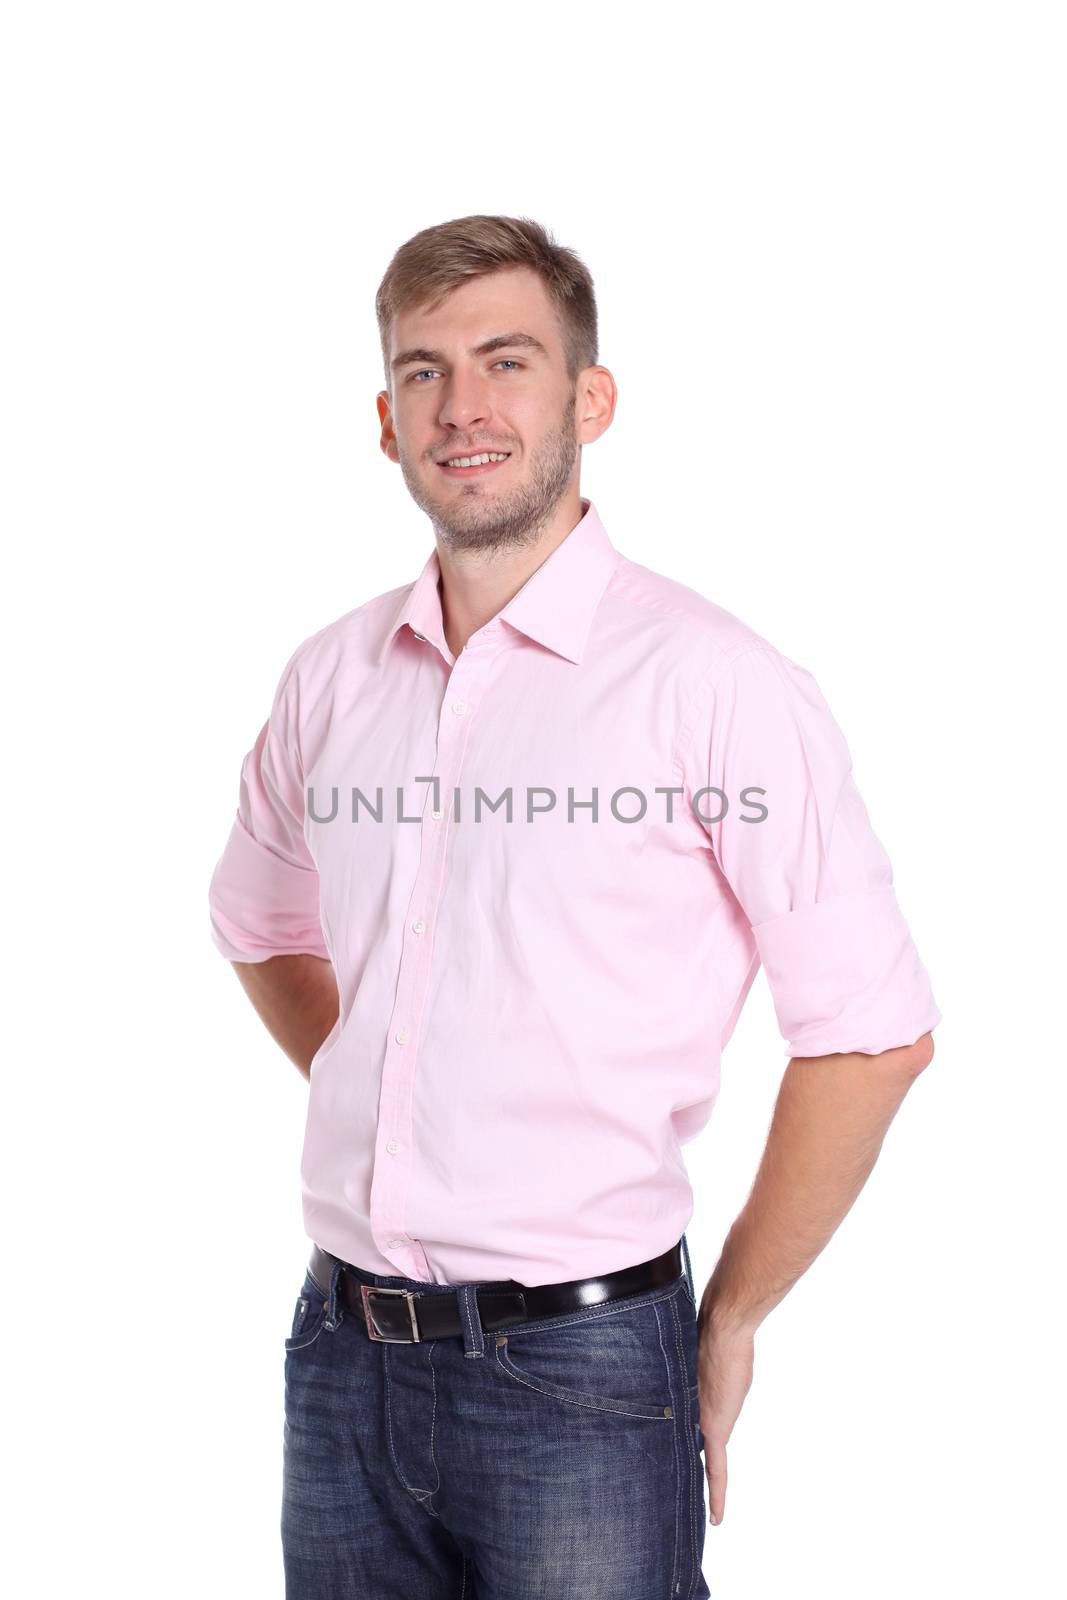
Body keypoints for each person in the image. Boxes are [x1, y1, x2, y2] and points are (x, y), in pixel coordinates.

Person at [207, 213, 940, 1599]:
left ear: (589, 400)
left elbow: (872, 1033)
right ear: (384, 420)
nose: (463, 407)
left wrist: (731, 1315)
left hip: (587, 1378)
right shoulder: (329, 678)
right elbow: (257, 920)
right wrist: (399, 1094)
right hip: (339, 1355)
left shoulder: (715, 685)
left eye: (505, 361)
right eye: (423, 371)